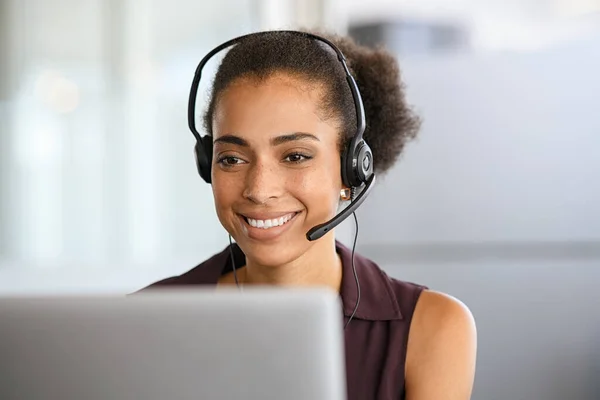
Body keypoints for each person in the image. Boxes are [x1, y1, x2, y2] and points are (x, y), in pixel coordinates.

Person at [139, 30, 477, 400]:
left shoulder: (432, 328)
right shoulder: (146, 320)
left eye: (295, 156)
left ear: (352, 169)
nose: (259, 189)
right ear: (208, 166)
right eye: (232, 159)